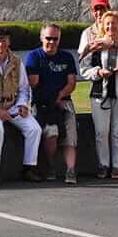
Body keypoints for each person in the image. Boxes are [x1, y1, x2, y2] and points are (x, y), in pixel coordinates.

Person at [78, 0, 118, 175]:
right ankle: (103, 165)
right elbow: (83, 63)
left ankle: (117, 167)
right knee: (101, 132)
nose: (110, 26)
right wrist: (98, 72)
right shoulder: (89, 36)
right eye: (96, 9)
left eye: (102, 9)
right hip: (100, 94)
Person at [0, 28, 42, 183]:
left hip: (12, 105)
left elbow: (24, 88)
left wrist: (21, 105)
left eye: (4, 39)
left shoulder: (17, 62)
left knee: (34, 129)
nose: (1, 43)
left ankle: (29, 168)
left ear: (9, 41)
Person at [25, 23, 79, 185]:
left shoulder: (67, 57)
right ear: (42, 38)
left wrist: (60, 95)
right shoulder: (34, 56)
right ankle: (50, 166)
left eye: (55, 39)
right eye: (48, 38)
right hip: (41, 104)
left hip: (64, 100)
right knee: (51, 132)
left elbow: (71, 83)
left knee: (71, 132)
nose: (51, 42)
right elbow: (33, 84)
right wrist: (52, 99)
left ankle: (70, 170)